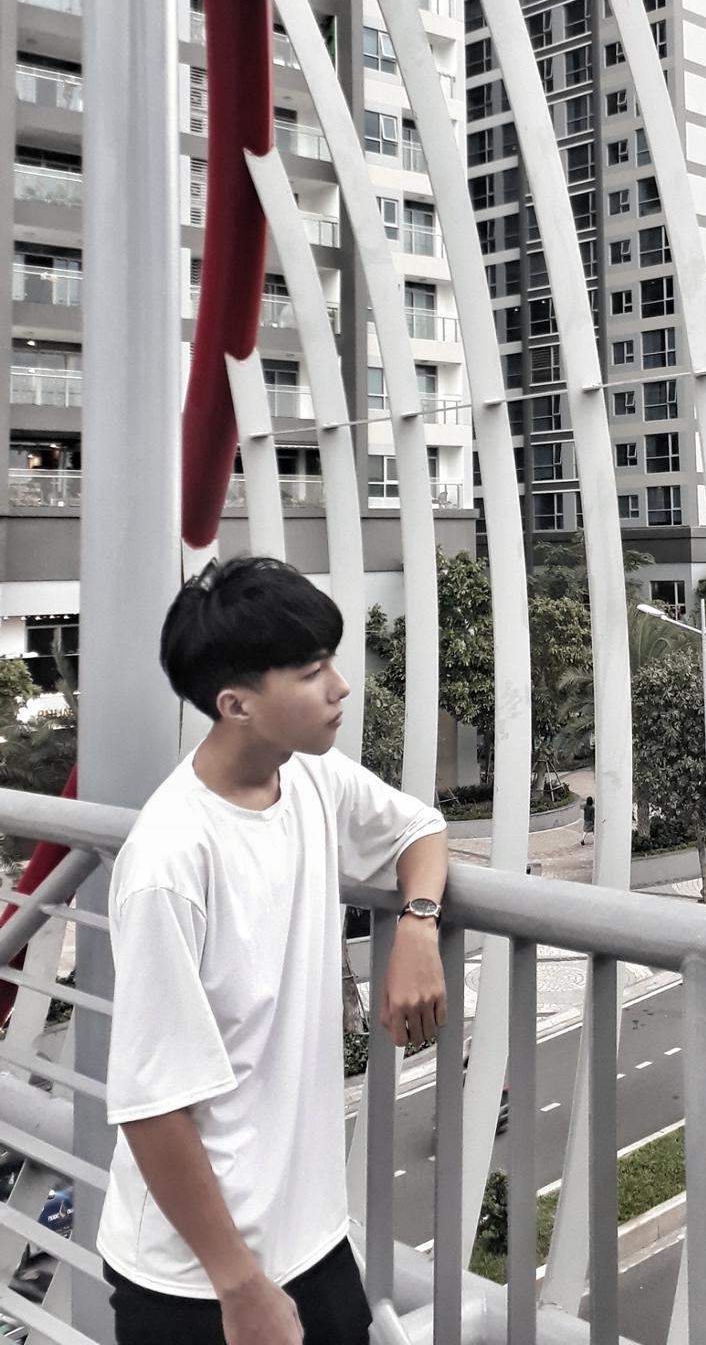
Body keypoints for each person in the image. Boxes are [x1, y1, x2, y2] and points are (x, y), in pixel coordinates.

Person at [97, 556, 449, 1345]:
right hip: (197, 1280)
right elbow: (152, 1107)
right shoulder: (169, 863)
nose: (341, 687)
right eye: (312, 671)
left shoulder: (311, 777)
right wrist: (240, 1286)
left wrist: (417, 926)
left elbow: (420, 829)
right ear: (238, 705)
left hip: (312, 1243)